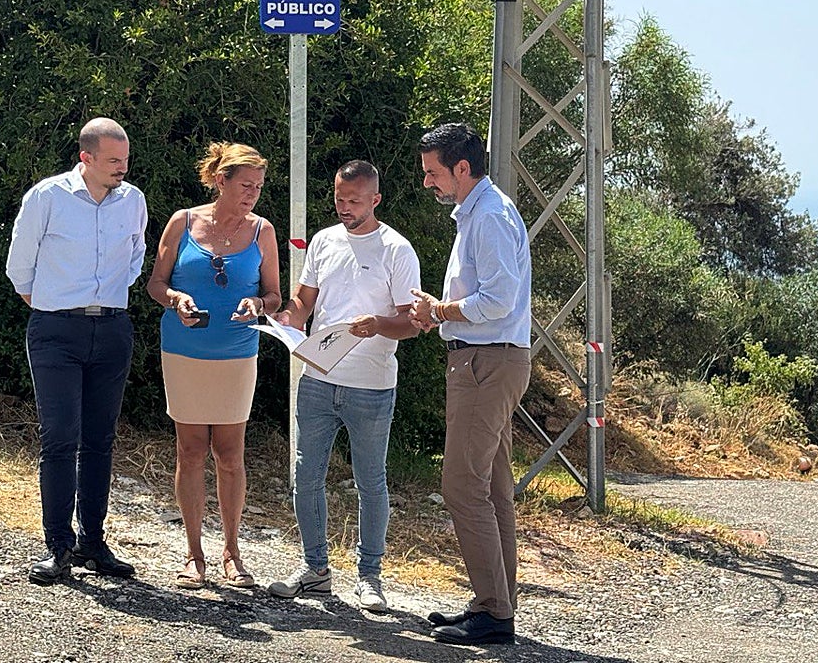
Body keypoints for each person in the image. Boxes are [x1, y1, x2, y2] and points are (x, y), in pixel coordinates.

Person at [266, 160, 421, 614]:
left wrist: (377, 325)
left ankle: (369, 577)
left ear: (376, 199)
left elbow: (411, 323)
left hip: (371, 386)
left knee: (370, 482)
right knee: (305, 477)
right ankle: (315, 570)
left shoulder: (397, 249)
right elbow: (304, 300)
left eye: (354, 201)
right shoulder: (323, 240)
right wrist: (288, 320)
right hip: (317, 378)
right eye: (338, 199)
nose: (344, 208)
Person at [5, 117, 147, 585]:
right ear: (86, 158)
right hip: (56, 329)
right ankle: (58, 545)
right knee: (60, 437)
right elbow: (19, 264)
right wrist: (48, 300)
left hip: (111, 328)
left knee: (100, 440)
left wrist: (105, 297)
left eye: (125, 160)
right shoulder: (48, 196)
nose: (121, 169)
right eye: (112, 161)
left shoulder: (133, 200)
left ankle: (93, 542)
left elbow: (134, 257)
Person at [408, 122, 532, 646]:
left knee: (462, 488)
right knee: (493, 489)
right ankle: (493, 603)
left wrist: (439, 311)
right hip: (489, 360)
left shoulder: (489, 216)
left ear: (463, 168)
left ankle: (495, 612)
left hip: (485, 363)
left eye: (433, 173)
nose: (428, 184)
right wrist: (442, 315)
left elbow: (497, 301)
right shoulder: (482, 212)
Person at [146, 141, 281, 590]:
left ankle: (231, 550)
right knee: (189, 450)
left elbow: (275, 296)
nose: (252, 195)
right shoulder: (182, 221)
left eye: (258, 188)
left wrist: (257, 303)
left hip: (237, 352)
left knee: (229, 454)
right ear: (220, 180)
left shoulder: (263, 230)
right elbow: (155, 283)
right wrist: (176, 299)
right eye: (245, 185)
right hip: (184, 350)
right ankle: (193, 553)